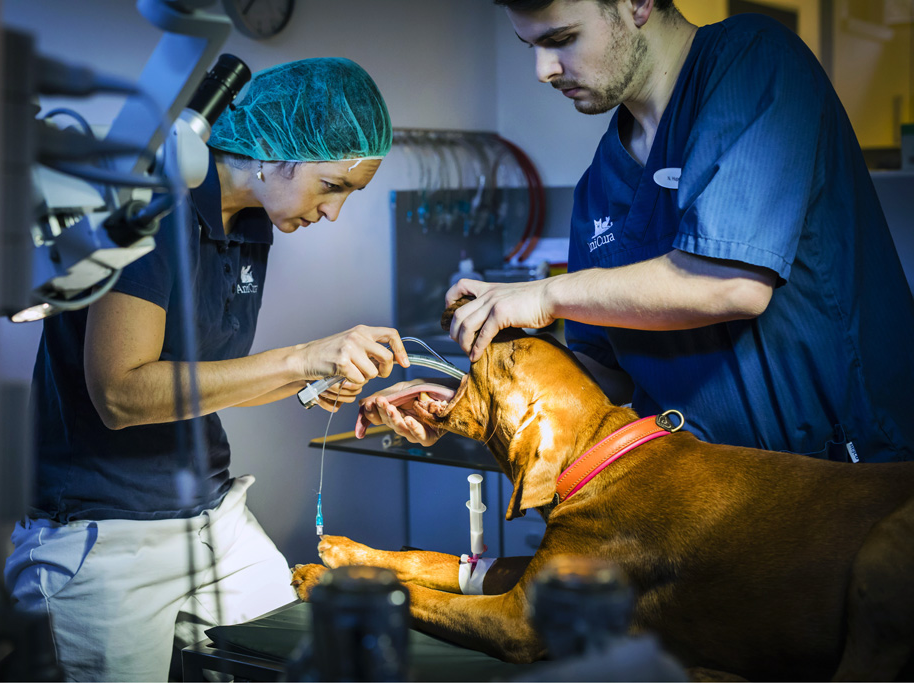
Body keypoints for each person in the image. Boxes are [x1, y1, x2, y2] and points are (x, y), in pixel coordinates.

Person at [367, 0, 914, 464]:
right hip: (693, 490)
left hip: (840, 476)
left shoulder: (753, 60)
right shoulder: (600, 185)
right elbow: (607, 373)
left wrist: (545, 294)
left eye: (562, 38)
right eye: (529, 46)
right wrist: (468, 400)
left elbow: (732, 284)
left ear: (638, 2)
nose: (543, 70)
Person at [3, 57, 408, 681]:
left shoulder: (251, 223)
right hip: (102, 536)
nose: (334, 213)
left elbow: (199, 385)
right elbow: (123, 393)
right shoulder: (151, 204)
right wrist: (298, 357)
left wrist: (304, 379)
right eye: (334, 186)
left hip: (211, 518)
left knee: (308, 665)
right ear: (275, 153)